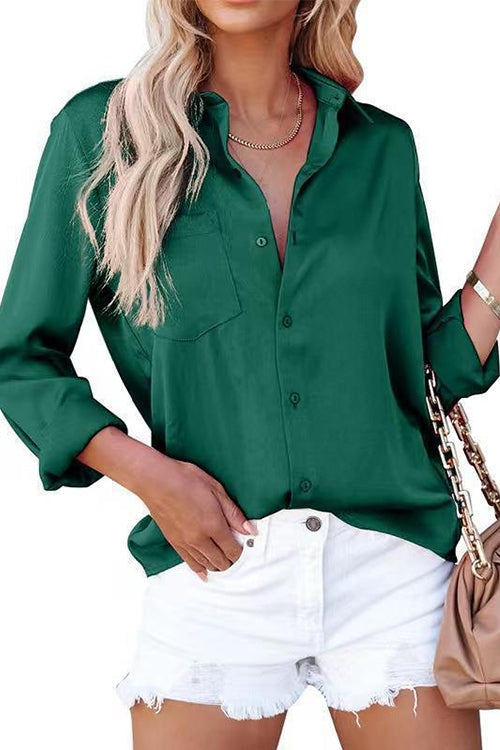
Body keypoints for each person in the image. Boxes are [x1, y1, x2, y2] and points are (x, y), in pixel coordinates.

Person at [0, 1, 499, 748]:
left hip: (391, 567)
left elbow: (422, 373)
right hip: (213, 563)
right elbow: (19, 358)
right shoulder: (104, 135)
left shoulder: (382, 149)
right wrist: (149, 477)